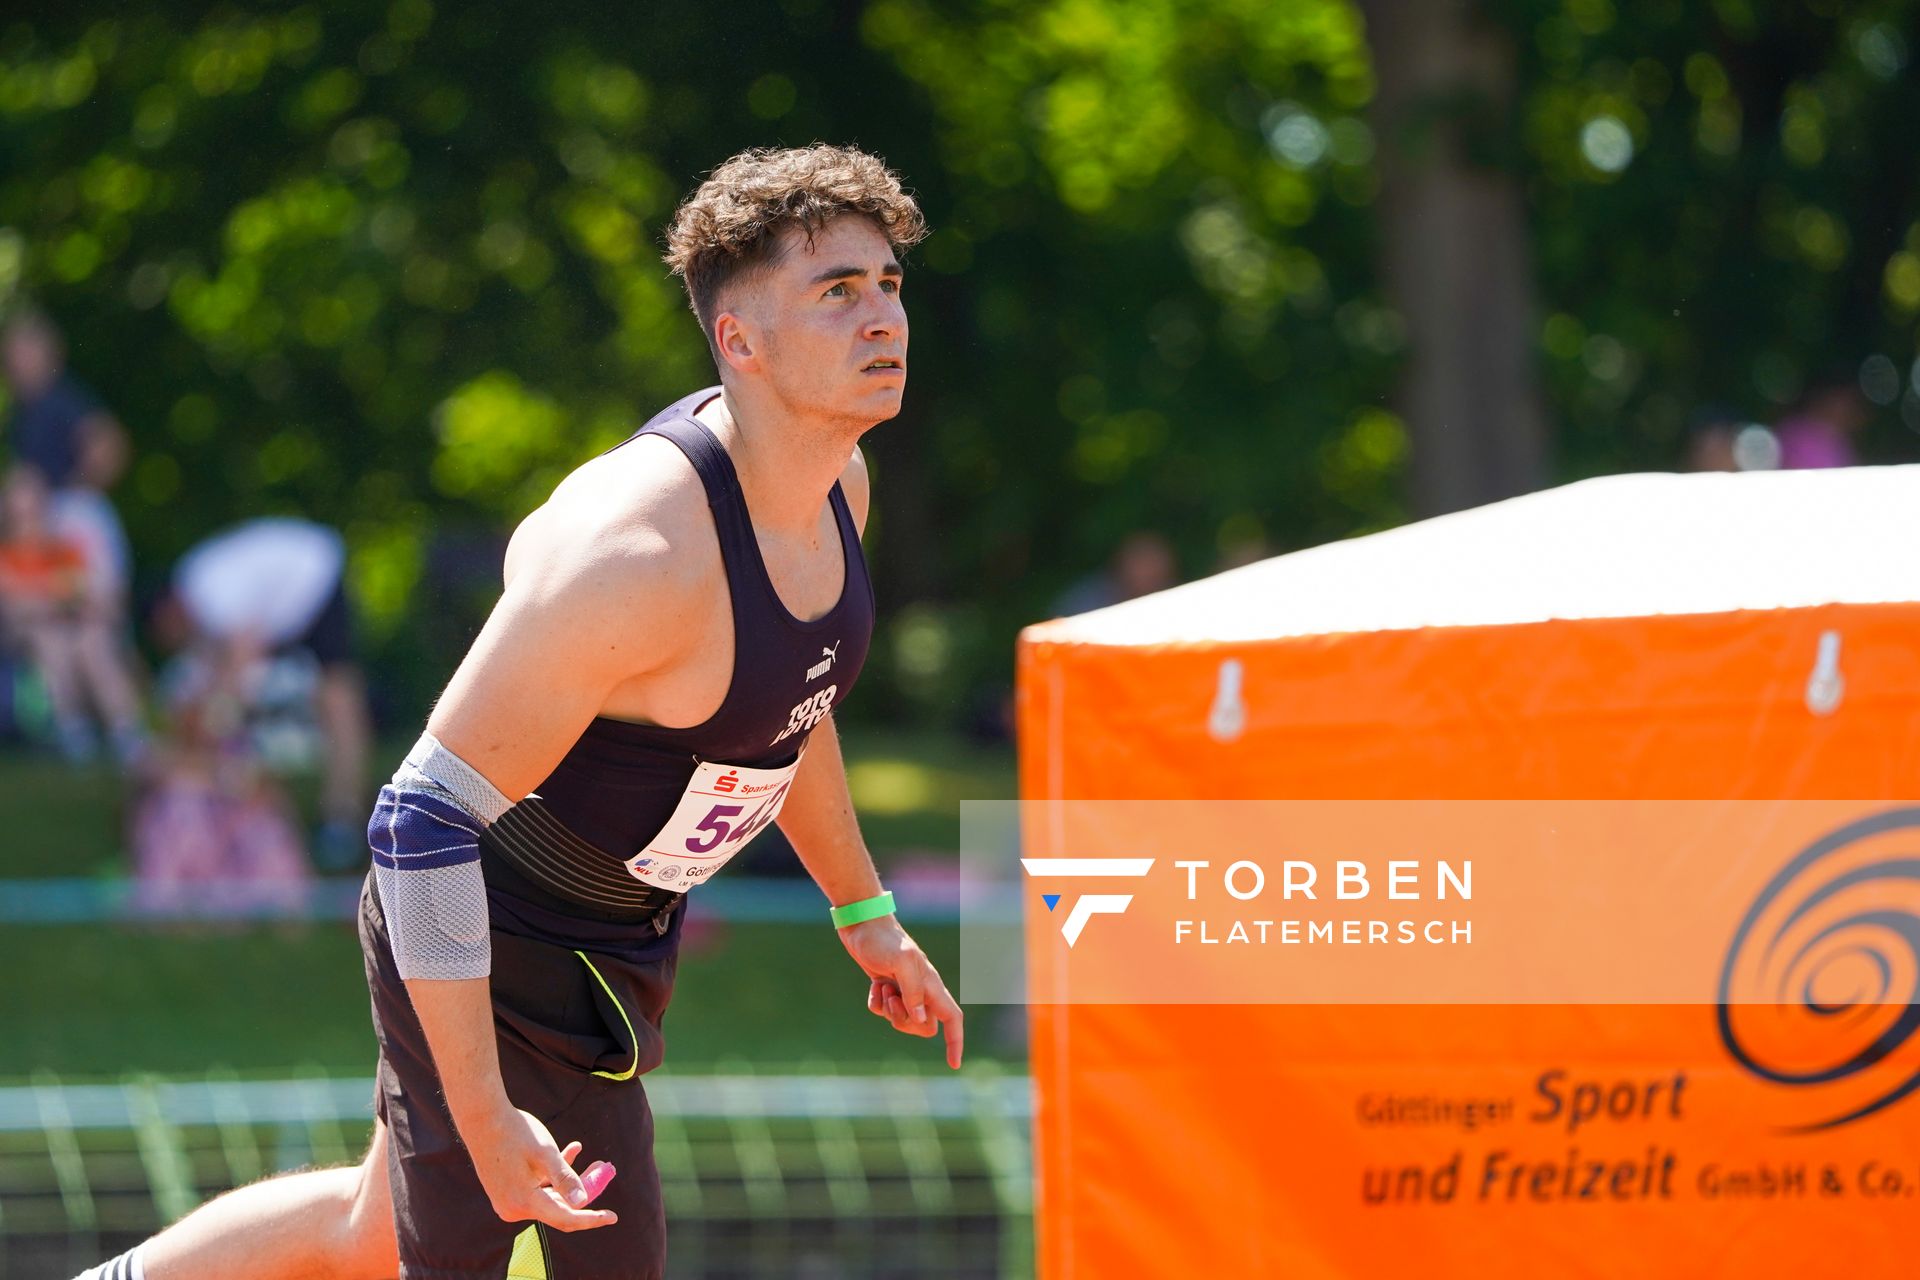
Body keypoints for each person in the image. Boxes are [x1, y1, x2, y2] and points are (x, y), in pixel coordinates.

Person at [75, 143, 962, 1280]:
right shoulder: (633, 553)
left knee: (370, 1226)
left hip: (615, 941)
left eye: (887, 283)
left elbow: (796, 706)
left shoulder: (836, 482)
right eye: (836, 291)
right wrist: (486, 1117)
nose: (882, 316)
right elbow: (417, 823)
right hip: (488, 944)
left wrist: (863, 908)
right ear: (737, 340)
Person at [159, 517, 373, 868]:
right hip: (300, 584)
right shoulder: (203, 587)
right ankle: (336, 814)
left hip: (315, 578)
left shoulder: (204, 589)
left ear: (168, 612)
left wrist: (220, 717)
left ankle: (342, 814)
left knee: (337, 696)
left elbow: (245, 651)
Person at [0, 465, 145, 764]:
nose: (29, 524)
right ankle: (72, 730)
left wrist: (51, 597)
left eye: (34, 514)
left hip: (72, 632)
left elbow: (90, 595)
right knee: (51, 641)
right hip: (22, 642)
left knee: (92, 643)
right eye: (20, 516)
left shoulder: (63, 550)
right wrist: (56, 595)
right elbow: (15, 608)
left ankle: (126, 731)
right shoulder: (6, 554)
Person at [2, 308, 134, 617]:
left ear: (48, 353)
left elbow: (109, 446)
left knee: (95, 623)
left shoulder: (61, 398)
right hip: (53, 523)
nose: (15, 361)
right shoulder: (25, 412)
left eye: (23, 351)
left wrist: (74, 488)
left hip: (74, 519)